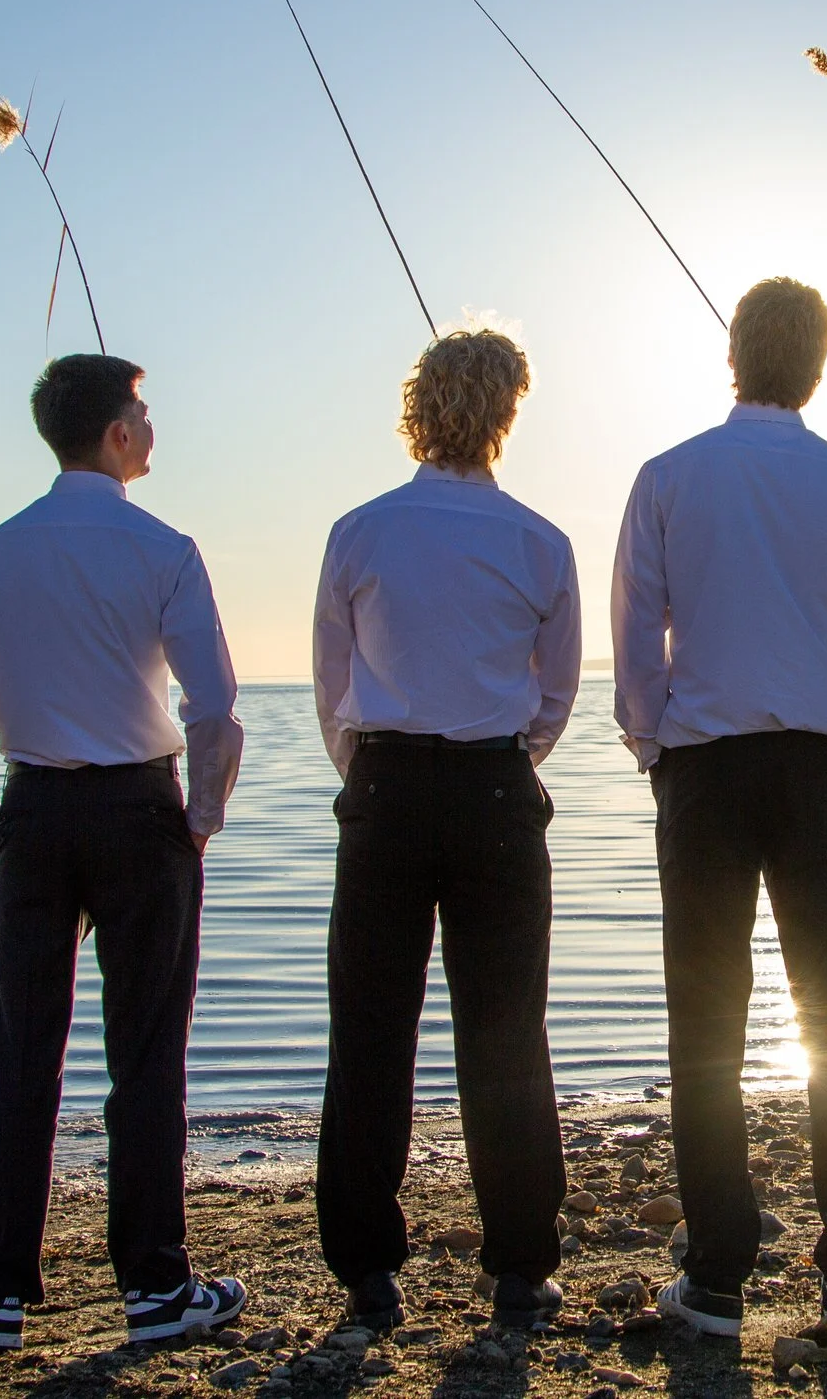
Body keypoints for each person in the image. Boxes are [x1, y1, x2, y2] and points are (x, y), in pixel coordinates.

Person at [0, 354, 247, 1349]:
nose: (151, 423)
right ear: (116, 433)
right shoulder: (164, 549)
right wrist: (199, 816)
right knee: (146, 1054)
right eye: (142, 410)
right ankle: (153, 1283)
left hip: (36, 812)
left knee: (21, 1053)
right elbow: (216, 710)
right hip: (143, 811)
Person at [612, 277, 827, 1338]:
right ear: (818, 366)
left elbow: (635, 633)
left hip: (703, 769)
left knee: (707, 1025)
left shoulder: (667, 476)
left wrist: (655, 748)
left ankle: (717, 1276)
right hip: (815, 771)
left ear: (733, 355)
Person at [311, 330, 580, 1333]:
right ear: (506, 412)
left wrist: (379, 769)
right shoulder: (539, 541)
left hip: (383, 789)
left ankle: (367, 1270)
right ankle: (518, 1265)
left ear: (419, 408)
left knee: (371, 1033)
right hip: (496, 795)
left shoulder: (361, 530)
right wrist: (496, 762)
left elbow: (332, 689)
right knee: (505, 1034)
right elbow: (553, 698)